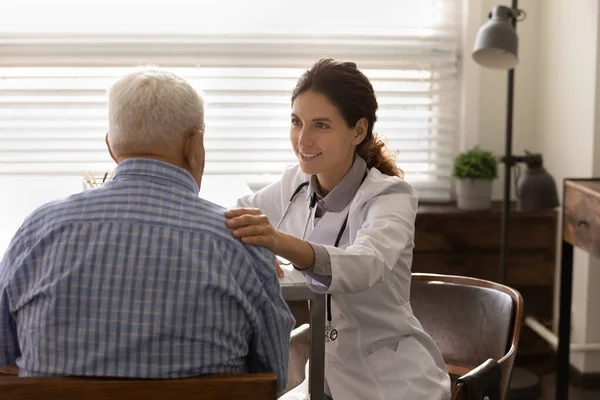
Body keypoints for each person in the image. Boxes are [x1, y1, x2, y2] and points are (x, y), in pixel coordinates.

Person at [0, 68, 294, 393]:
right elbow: (273, 379)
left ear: (112, 147)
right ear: (194, 145)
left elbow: (3, 355)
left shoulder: (37, 231)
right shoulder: (243, 241)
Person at [225, 58, 451, 400]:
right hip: (324, 376)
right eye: (296, 122)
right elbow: (237, 213)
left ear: (358, 131)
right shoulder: (295, 182)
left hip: (390, 382)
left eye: (321, 125)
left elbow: (364, 265)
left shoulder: (390, 196)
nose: (303, 139)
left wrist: (276, 241)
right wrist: (253, 247)